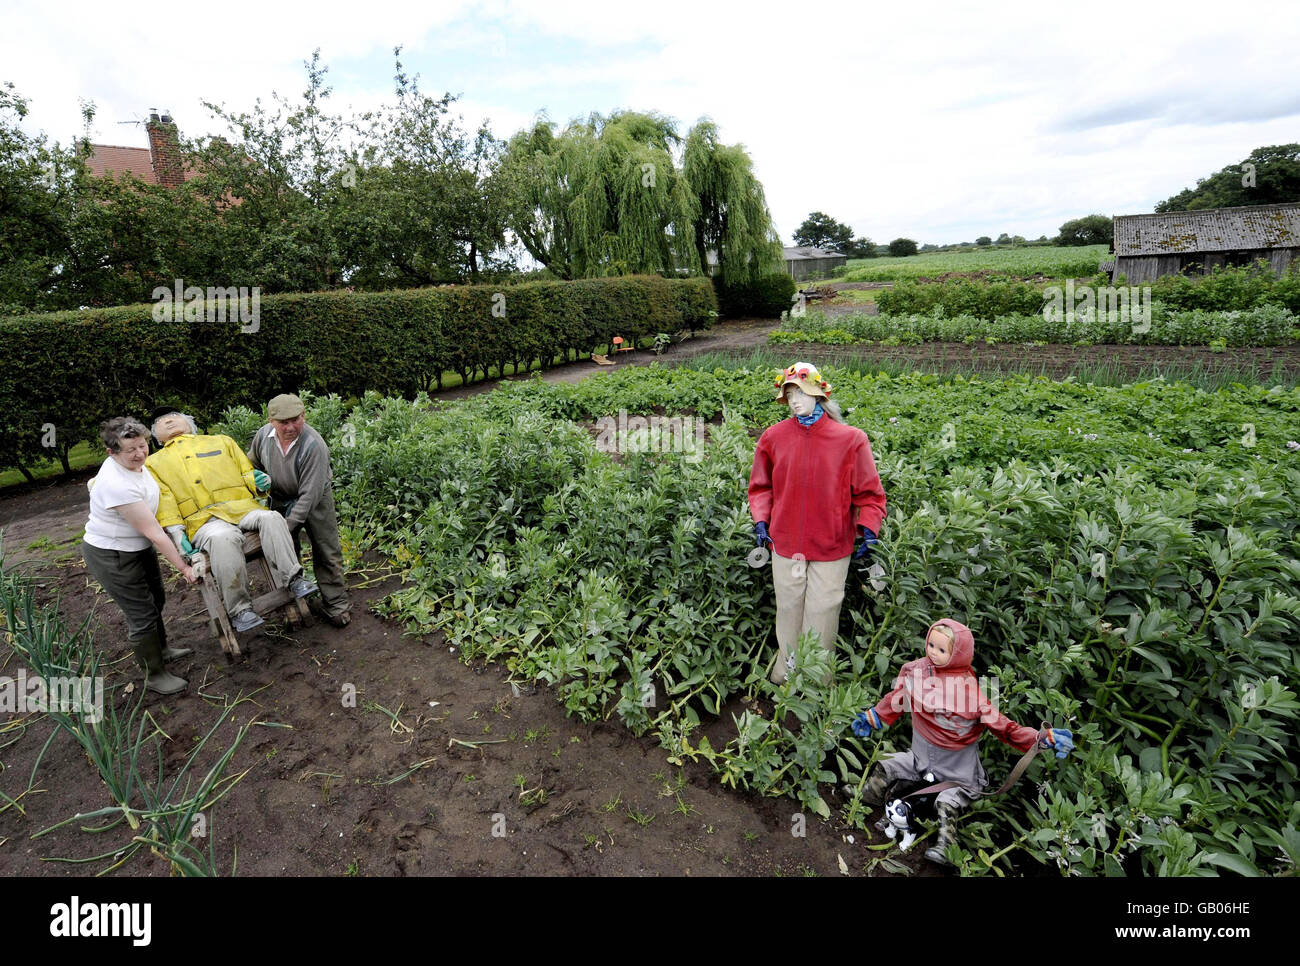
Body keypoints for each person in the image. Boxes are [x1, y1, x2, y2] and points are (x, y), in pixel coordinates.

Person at [850, 618, 1076, 866]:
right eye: (931, 645)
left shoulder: (971, 695)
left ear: (958, 654)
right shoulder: (917, 671)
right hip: (920, 757)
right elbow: (897, 697)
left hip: (955, 770)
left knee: (947, 802)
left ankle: (946, 845)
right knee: (888, 764)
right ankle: (866, 797)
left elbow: (1005, 727)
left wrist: (1040, 739)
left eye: (942, 649)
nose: (933, 653)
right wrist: (872, 718)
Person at [747, 362, 887, 683]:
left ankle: (816, 683)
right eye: (789, 393)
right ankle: (786, 676)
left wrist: (869, 528)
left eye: (800, 392)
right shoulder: (773, 438)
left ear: (818, 394)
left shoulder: (850, 440)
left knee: (822, 614)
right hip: (785, 545)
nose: (795, 400)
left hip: (832, 546)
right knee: (789, 611)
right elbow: (760, 487)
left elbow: (869, 493)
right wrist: (761, 520)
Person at [145, 407, 316, 633]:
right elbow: (164, 500)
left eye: (174, 417)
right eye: (160, 421)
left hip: (242, 507)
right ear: (156, 435)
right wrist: (177, 534)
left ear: (190, 424)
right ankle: (240, 610)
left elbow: (245, 471)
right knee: (222, 538)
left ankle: (294, 578)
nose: (168, 421)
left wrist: (257, 481)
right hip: (203, 521)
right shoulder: (153, 464)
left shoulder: (221, 442)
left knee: (272, 518)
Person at [80, 417, 199, 694]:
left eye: (143, 445)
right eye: (130, 450)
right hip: (112, 554)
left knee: (157, 597)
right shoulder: (116, 484)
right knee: (141, 613)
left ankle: (163, 649)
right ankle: (154, 675)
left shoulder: (133, 465)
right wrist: (183, 567)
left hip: (137, 546)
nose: (139, 454)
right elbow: (155, 533)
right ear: (111, 453)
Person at [247, 394, 352, 627]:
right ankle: (295, 602)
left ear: (303, 416)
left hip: (315, 498)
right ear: (271, 421)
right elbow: (250, 463)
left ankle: (336, 605)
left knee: (326, 549)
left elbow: (309, 497)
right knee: (286, 553)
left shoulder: (314, 445)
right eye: (284, 422)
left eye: (296, 420)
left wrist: (286, 527)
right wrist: (252, 478)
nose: (291, 427)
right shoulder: (263, 436)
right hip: (280, 498)